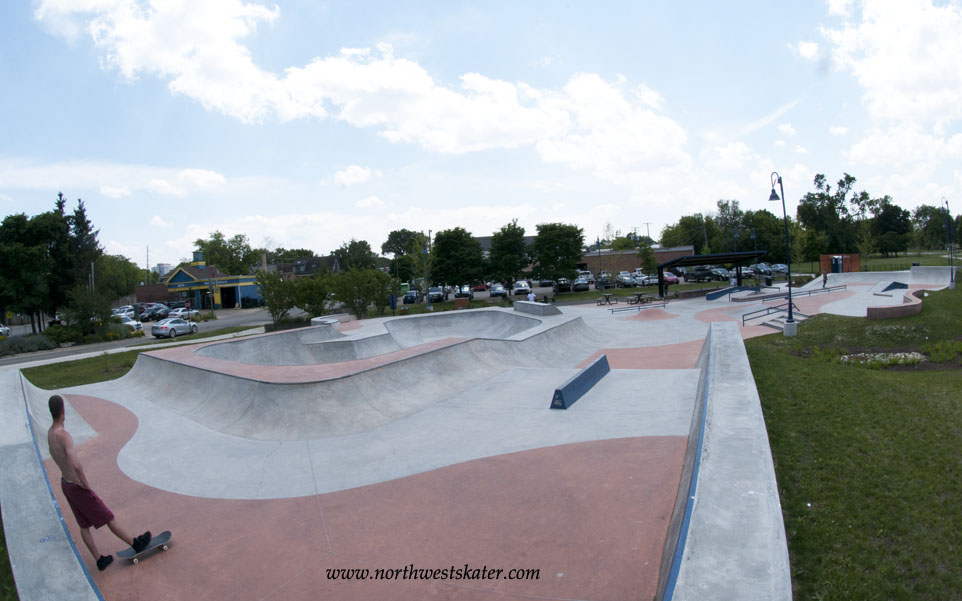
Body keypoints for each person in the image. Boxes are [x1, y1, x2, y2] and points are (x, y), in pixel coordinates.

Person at [47, 395, 151, 571]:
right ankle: (135, 543)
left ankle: (99, 560)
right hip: (77, 486)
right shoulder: (64, 436)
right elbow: (76, 464)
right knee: (108, 516)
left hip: (65, 484)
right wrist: (85, 484)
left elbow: (56, 456)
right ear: (63, 410)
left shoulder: (50, 434)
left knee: (83, 525)